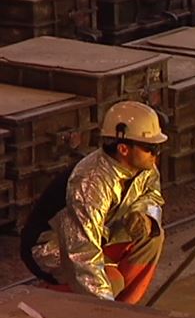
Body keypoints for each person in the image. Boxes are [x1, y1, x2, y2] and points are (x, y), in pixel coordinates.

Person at [20, 101, 168, 304]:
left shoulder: (145, 167)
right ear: (124, 148)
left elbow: (152, 194)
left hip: (98, 236)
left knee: (152, 237)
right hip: (51, 246)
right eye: (150, 148)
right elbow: (82, 253)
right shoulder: (90, 182)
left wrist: (144, 214)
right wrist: (103, 312)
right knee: (110, 280)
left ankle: (128, 309)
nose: (156, 153)